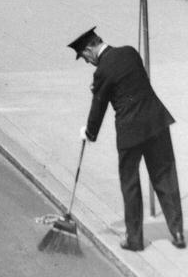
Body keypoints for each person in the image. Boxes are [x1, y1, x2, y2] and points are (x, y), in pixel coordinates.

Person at [70, 27, 185, 251]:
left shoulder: (102, 71)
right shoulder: (130, 52)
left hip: (130, 131)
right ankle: (178, 232)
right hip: (156, 122)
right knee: (165, 176)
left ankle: (134, 239)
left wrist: (89, 133)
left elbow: (99, 105)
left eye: (84, 56)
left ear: (90, 48)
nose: (86, 62)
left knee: (130, 183)